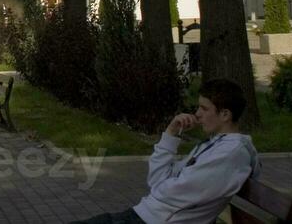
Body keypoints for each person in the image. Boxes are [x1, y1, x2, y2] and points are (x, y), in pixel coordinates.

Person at [68, 79, 258, 224]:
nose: (197, 113)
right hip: (147, 215)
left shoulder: (230, 154)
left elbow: (174, 193)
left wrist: (162, 187)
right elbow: (157, 179)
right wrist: (171, 133)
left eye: (204, 108)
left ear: (225, 114)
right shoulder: (216, 145)